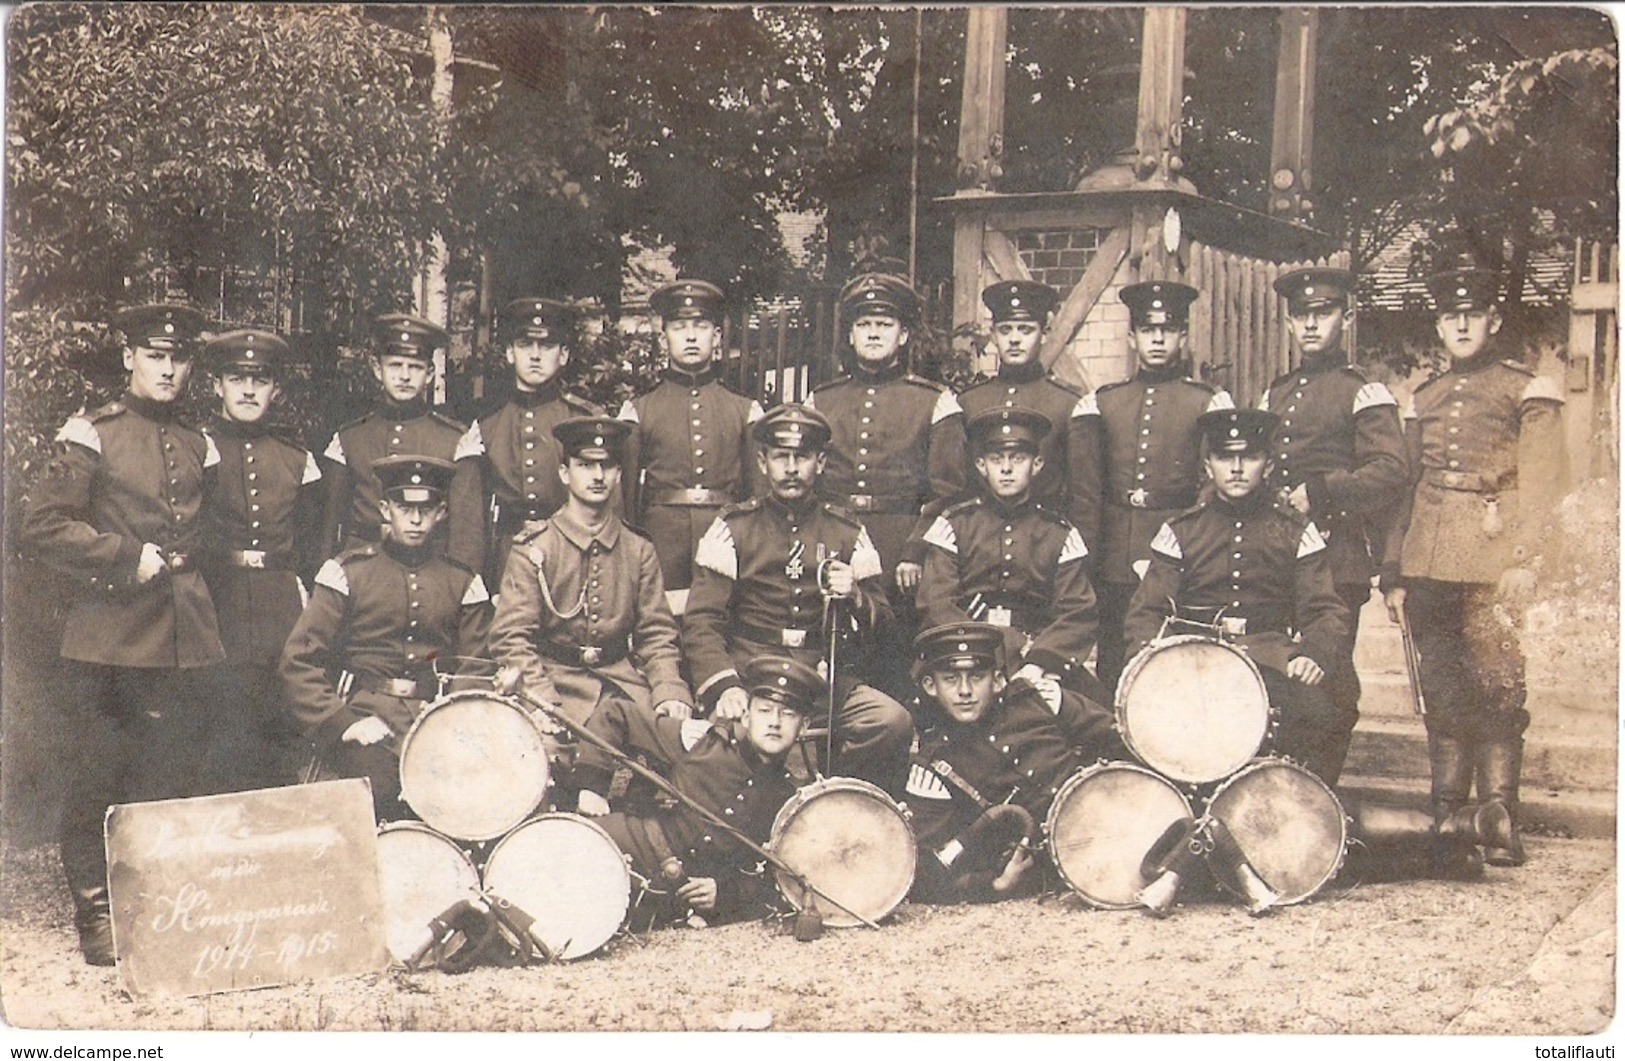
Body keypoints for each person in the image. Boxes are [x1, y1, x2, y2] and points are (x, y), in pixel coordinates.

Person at [20, 302, 224, 965]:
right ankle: (96, 910)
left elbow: (206, 533)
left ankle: (155, 903)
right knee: (99, 770)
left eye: (179, 357)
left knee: (168, 770)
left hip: (181, 632)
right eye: (155, 355)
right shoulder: (92, 433)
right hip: (109, 633)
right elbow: (44, 525)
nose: (168, 369)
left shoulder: (199, 443)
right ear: (129, 357)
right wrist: (121, 556)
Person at [1380, 267, 1568, 868]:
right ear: (1439, 326)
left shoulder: (1525, 389)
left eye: (1473, 314)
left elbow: (1543, 483)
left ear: (1494, 322)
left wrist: (1525, 559)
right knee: (1441, 684)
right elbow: (1406, 487)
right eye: (1450, 316)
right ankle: (1446, 816)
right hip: (1430, 555)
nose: (1461, 324)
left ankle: (1499, 816)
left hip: (1494, 558)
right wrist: (1395, 572)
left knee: (1498, 683)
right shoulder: (1426, 397)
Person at [683, 403, 913, 793]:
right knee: (721, 739)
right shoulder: (732, 528)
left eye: (802, 457)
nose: (791, 468)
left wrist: (856, 596)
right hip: (751, 674)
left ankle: (843, 801)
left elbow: (886, 628)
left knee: (891, 721)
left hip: (821, 677)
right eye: (781, 457)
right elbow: (702, 621)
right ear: (762, 461)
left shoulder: (847, 532)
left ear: (820, 462)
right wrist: (724, 685)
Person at [1123, 408, 1356, 783]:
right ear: (1208, 465)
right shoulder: (1182, 531)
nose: (1236, 468)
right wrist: (1151, 659)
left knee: (1321, 713)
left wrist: (1314, 653)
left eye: (1248, 457)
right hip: (1194, 659)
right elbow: (1146, 612)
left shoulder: (1294, 530)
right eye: (1224, 457)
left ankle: (1301, 813)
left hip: (1270, 656)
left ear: (1266, 465)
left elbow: (1325, 610)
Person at [280, 455, 492, 820]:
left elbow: (474, 667)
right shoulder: (347, 574)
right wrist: (344, 722)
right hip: (365, 716)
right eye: (403, 506)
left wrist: (449, 724)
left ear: (441, 512)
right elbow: (299, 661)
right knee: (379, 788)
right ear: (384, 509)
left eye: (425, 508)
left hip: (436, 719)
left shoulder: (463, 582)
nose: (414, 519)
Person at [1259, 267, 1408, 750]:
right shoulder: (1275, 393)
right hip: (1279, 557)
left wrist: (1320, 493)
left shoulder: (1362, 391)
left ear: (1345, 318)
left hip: (1336, 557)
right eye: (1301, 315)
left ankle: (1326, 787)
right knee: (1282, 672)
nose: (1310, 325)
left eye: (1322, 314)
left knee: (1331, 675)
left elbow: (1390, 470)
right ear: (1289, 323)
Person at [489, 416, 694, 754]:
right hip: (555, 681)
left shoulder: (638, 548)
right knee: (544, 755)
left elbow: (656, 633)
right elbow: (510, 637)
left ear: (618, 474)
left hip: (621, 683)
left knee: (680, 745)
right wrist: (541, 699)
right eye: (585, 465)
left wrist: (669, 689)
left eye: (607, 466)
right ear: (565, 473)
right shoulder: (535, 547)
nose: (597, 477)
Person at [807, 271, 967, 700]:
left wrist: (915, 552)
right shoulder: (821, 401)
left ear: (904, 335)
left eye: (884, 324)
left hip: (899, 546)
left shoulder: (933, 400)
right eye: (864, 324)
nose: (873, 333)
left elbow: (947, 490)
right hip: (836, 539)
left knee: (896, 657)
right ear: (851, 334)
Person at [574, 655, 823, 928]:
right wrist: (591, 786)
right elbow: (616, 714)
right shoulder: (700, 741)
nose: (775, 722)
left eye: (788, 714)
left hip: (670, 894)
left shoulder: (785, 801)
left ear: (805, 725)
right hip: (624, 842)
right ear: (747, 715)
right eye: (765, 710)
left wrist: (723, 892)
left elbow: (771, 877)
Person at [1072, 280, 1235, 695]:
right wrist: (1088, 559)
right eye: (1148, 330)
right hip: (1115, 553)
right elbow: (1087, 491)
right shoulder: (1102, 402)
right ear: (1132, 337)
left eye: (1168, 330)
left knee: (1177, 661)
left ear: (1182, 336)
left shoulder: (1208, 402)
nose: (1158, 339)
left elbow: (1211, 486)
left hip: (1180, 550)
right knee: (1113, 658)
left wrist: (1191, 546)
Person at [903, 622, 1120, 904]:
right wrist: (994, 886)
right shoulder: (934, 767)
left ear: (997, 680)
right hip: (1070, 867)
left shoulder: (1040, 698)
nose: (965, 690)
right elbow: (924, 873)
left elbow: (1119, 738)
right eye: (951, 679)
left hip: (1115, 818)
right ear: (930, 686)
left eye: (977, 676)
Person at [197, 328, 323, 793]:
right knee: (220, 726)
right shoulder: (200, 449)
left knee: (277, 726)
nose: (248, 390)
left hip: (279, 606)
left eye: (260, 379)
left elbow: (311, 545)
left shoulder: (297, 458)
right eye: (236, 378)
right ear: (217, 385)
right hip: (217, 600)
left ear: (276, 389)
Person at [918, 407, 1102, 701]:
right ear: (981, 466)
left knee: (1097, 709)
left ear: (1037, 464)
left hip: (1036, 655)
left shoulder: (1059, 533)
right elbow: (936, 603)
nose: (1006, 469)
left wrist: (1038, 663)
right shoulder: (954, 524)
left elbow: (1077, 614)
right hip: (964, 653)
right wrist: (982, 653)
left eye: (1018, 459)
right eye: (996, 459)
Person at [616, 279, 763, 614]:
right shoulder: (639, 411)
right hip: (661, 540)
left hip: (727, 537)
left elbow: (759, 495)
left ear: (717, 336)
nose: (692, 336)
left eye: (701, 326)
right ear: (664, 336)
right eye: (680, 327)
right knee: (661, 627)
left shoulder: (745, 412)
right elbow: (624, 497)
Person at [455, 297, 606, 588]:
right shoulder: (486, 424)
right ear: (510, 353)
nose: (535, 355)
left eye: (547, 346)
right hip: (507, 560)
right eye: (525, 345)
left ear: (563, 355)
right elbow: (469, 519)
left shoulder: (583, 421)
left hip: (573, 555)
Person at [320, 313, 484, 573]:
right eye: (395, 365)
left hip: (430, 572)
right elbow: (328, 528)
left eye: (415, 367)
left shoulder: (456, 440)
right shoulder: (350, 438)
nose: (405, 376)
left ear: (430, 373)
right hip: (361, 571)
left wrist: (460, 588)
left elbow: (466, 535)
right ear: (377, 369)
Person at [960, 280, 1086, 522]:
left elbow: (1081, 494)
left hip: (1044, 538)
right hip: (979, 537)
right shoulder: (970, 402)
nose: (1014, 339)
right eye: (1006, 330)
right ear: (994, 335)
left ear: (1044, 333)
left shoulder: (1068, 403)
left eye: (1026, 330)